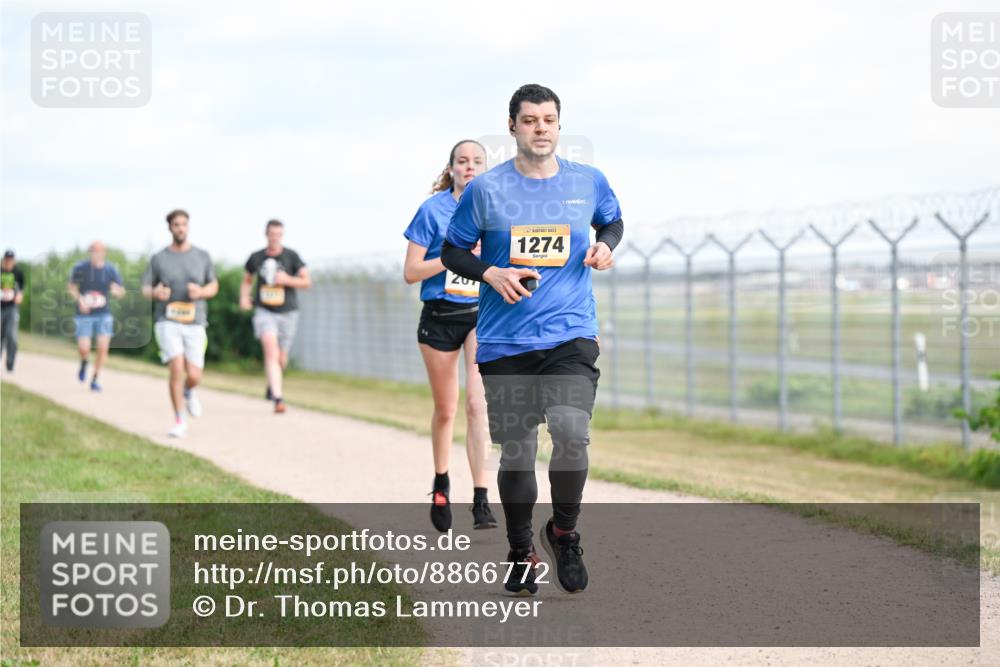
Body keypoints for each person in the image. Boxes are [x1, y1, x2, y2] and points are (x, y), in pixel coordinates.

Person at [442, 84, 623, 595]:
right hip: (505, 343)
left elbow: (612, 221)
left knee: (570, 431)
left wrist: (605, 247)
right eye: (530, 120)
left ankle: (563, 532)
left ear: (559, 126)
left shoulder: (587, 181)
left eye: (549, 120)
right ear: (513, 126)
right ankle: (521, 549)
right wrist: (491, 272)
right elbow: (455, 251)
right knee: (518, 452)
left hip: (570, 333)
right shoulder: (487, 189)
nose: (540, 128)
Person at [404, 139, 497, 533]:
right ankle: (441, 482)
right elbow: (411, 272)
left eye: (478, 161)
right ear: (452, 168)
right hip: (440, 316)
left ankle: (481, 499)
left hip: (480, 315)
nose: (470, 166)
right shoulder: (432, 210)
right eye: (463, 161)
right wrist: (451, 256)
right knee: (447, 409)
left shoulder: (495, 211)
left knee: (478, 405)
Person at [141, 210, 219, 437]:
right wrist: (155, 292)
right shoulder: (159, 258)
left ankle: (189, 390)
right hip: (167, 320)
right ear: (169, 228)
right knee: (176, 368)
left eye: (184, 224)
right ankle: (179, 419)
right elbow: (145, 288)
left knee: (194, 375)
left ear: (188, 226)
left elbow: (214, 286)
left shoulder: (202, 256)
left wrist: (202, 291)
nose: (180, 228)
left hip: (195, 321)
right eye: (176, 224)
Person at [239, 219, 311, 414]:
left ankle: (273, 385)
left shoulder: (291, 256)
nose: (275, 237)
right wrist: (244, 298)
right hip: (264, 312)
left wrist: (287, 279)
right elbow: (247, 280)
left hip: (288, 312)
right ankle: (278, 399)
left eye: (278, 234)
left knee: (281, 357)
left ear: (282, 235)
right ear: (266, 234)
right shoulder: (256, 257)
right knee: (271, 352)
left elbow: (307, 282)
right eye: (272, 234)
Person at [67, 241, 125, 391]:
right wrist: (80, 300)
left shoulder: (111, 270)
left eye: (99, 250)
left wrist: (116, 290)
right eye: (93, 250)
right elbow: (71, 288)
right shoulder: (81, 268)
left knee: (102, 348)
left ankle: (95, 378)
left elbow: (121, 291)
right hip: (84, 314)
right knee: (84, 348)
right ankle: (84, 361)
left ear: (104, 252)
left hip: (103, 314)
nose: (96, 253)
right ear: (89, 252)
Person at [1, 249, 25, 372]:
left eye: (11, 259)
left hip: (12, 308)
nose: (9, 261)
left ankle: (10, 364)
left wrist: (19, 297)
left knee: (11, 336)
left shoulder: (18, 273)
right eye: (7, 259)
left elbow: (21, 291)